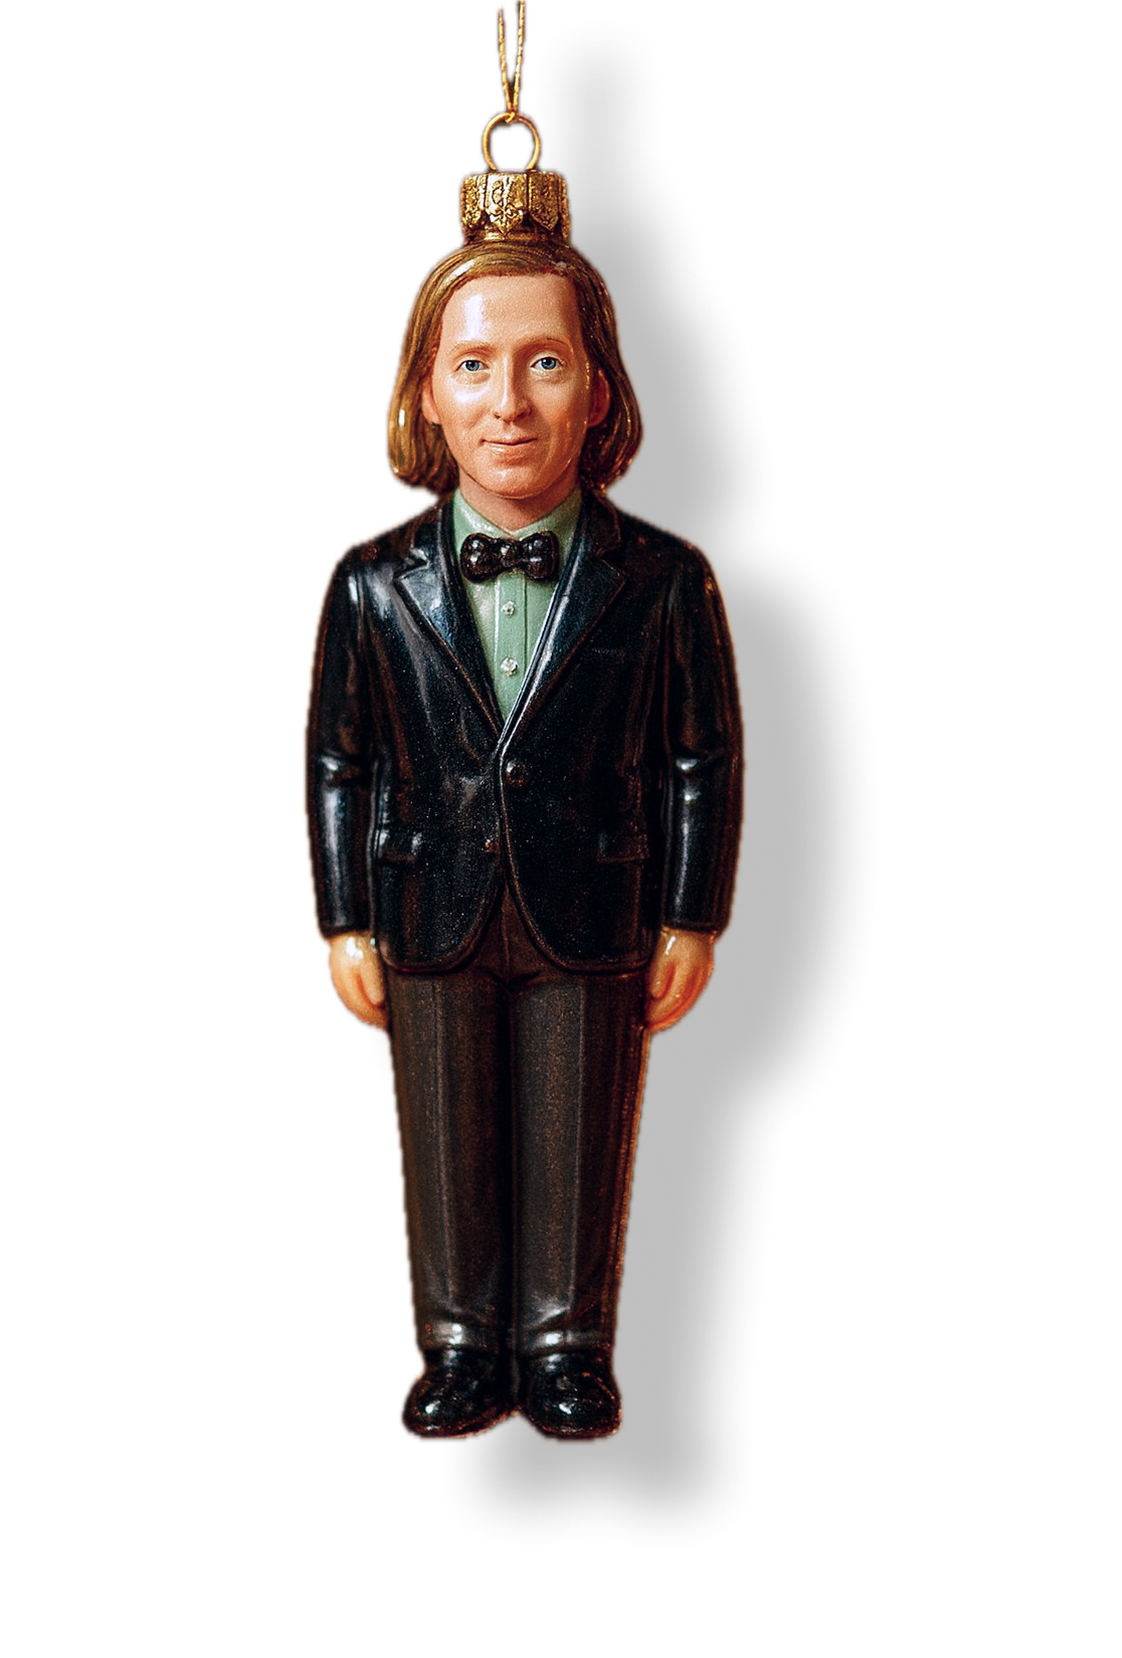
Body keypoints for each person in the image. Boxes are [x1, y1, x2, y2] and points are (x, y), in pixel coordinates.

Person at [303, 168, 744, 1444]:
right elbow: (336, 761)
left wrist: (692, 914)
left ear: (598, 390)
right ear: (424, 395)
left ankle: (566, 1342)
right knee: (442, 1132)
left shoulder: (664, 578)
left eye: (544, 362)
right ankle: (457, 1340)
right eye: (474, 365)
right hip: (426, 900)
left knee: (577, 1121)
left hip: (594, 900)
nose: (508, 402)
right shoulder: (368, 583)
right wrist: (342, 917)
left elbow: (703, 757)